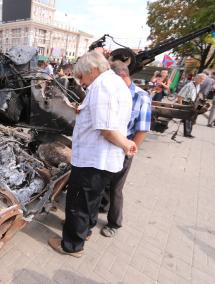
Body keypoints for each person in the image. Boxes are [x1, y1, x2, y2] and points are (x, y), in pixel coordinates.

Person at [48, 51, 136, 257]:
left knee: (78, 202)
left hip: (93, 159)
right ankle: (84, 230)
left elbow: (106, 129)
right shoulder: (115, 83)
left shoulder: (101, 86)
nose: (81, 82)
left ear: (93, 70)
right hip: (102, 160)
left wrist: (126, 144)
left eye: (81, 77)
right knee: (91, 200)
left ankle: (71, 245)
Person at [99, 61, 152, 237]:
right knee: (101, 182)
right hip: (107, 144)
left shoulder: (141, 96)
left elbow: (142, 129)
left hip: (124, 148)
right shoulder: (113, 92)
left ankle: (114, 223)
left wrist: (129, 150)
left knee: (116, 188)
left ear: (122, 76)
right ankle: (101, 206)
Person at [176, 73, 207, 138]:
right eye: (201, 79)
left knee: (194, 116)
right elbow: (180, 96)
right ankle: (187, 134)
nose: (202, 81)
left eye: (203, 80)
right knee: (189, 119)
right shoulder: (189, 85)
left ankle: (188, 133)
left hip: (193, 104)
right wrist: (180, 106)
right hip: (186, 103)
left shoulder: (198, 85)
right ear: (196, 78)